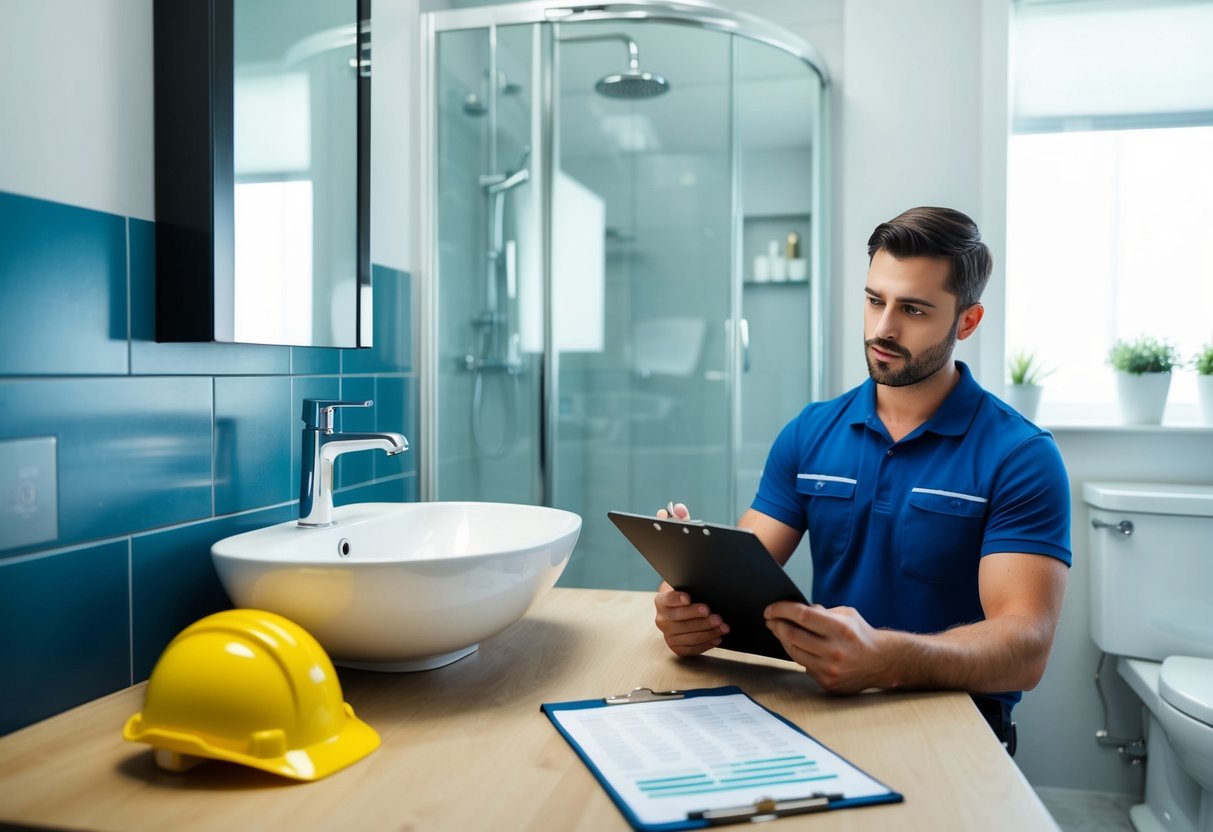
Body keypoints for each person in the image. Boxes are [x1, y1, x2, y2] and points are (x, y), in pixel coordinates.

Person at [653, 206, 1071, 754]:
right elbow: (743, 574)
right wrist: (690, 608)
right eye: (875, 300)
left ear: (966, 322)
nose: (882, 328)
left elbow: (1026, 647)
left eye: (913, 309)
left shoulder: (1020, 455)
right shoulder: (810, 432)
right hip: (828, 707)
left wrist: (886, 658)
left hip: (957, 723)